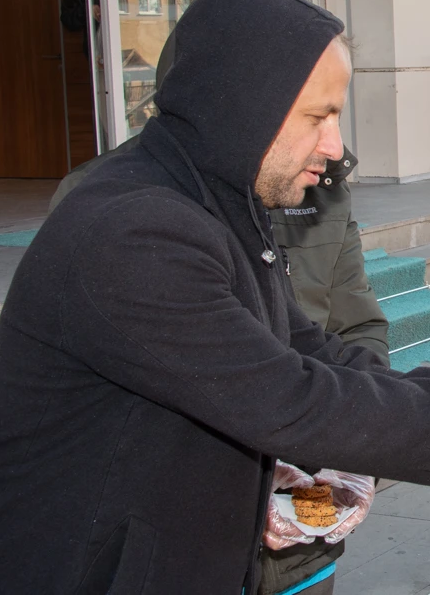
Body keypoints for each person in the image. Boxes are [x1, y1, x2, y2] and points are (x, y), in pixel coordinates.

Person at [0, 0, 430, 593]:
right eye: (317, 117)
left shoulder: (222, 208)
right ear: (239, 106)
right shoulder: (133, 230)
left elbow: (313, 352)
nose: (335, 146)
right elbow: (290, 397)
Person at [48, 44, 390, 595]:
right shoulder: (110, 202)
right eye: (315, 115)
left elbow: (353, 329)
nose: (332, 145)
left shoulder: (322, 190)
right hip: (166, 550)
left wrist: (353, 453)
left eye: (335, 116)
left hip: (302, 547)